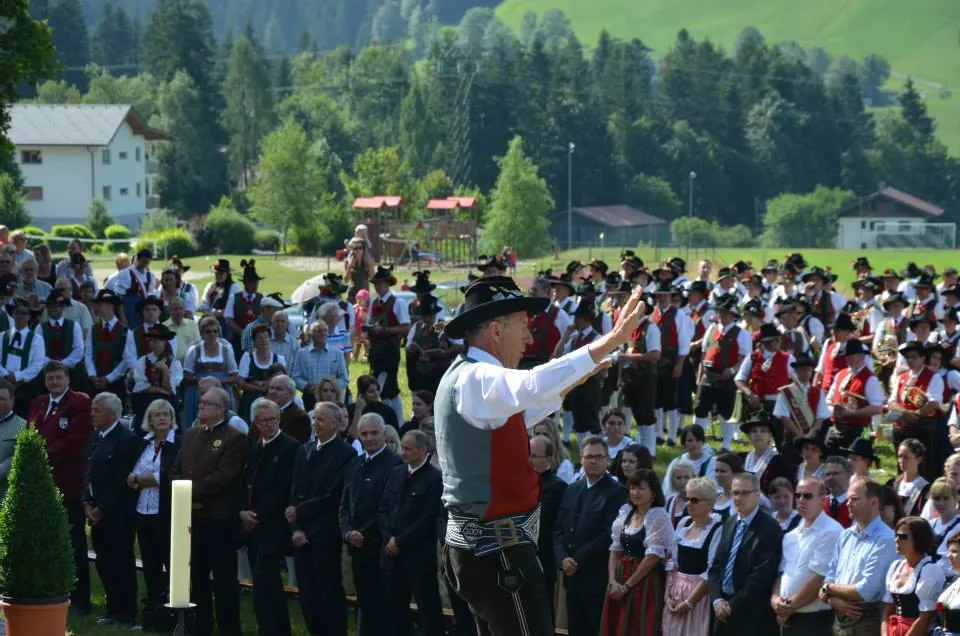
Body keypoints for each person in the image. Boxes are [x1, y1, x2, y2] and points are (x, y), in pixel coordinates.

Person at [436, 276, 644, 635]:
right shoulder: (478, 377)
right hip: (497, 552)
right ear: (496, 331)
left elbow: (525, 409)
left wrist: (574, 378)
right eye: (523, 327)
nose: (530, 339)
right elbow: (530, 387)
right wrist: (607, 343)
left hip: (484, 549)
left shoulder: (469, 377)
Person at [170, 387, 247, 636]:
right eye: (201, 402)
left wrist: (190, 494)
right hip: (192, 519)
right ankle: (201, 627)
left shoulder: (234, 437)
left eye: (207, 403)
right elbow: (175, 470)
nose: (201, 406)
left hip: (218, 519)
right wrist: (186, 498)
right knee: (197, 577)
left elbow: (225, 476)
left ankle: (229, 629)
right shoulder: (191, 434)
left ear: (221, 409)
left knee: (224, 580)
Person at [287, 402, 356, 636]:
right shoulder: (303, 450)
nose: (315, 423)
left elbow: (334, 495)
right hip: (300, 534)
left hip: (325, 533)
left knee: (328, 592)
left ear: (336, 424)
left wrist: (301, 511)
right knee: (307, 594)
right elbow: (294, 491)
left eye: (321, 419)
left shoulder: (346, 453)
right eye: (314, 419)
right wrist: (295, 528)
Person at [28, 361, 92, 613]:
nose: (54, 382)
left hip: (67, 483)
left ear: (67, 379)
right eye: (50, 378)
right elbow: (30, 434)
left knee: (74, 541)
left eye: (58, 377)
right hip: (40, 484)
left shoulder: (79, 403)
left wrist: (41, 454)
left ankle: (79, 599)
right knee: (46, 539)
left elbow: (76, 441)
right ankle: (51, 590)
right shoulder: (38, 403)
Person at [555, 436, 627, 635]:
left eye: (598, 457)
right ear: (581, 459)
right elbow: (558, 529)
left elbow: (607, 535)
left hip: (596, 577)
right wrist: (562, 559)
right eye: (588, 457)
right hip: (571, 577)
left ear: (608, 460)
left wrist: (576, 560)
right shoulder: (572, 489)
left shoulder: (616, 492)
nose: (593, 461)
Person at [240, 398, 299, 636]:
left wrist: (258, 515)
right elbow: (246, 483)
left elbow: (284, 487)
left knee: (268, 579)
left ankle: (276, 630)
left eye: (273, 419)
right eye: (263, 421)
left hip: (273, 524)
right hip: (253, 524)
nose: (269, 425)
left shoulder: (290, 446)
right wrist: (243, 512)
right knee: (260, 582)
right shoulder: (255, 447)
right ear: (256, 422)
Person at [339, 413, 401, 635]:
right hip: (357, 547)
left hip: (382, 548)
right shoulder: (355, 464)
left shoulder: (395, 464)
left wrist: (364, 533)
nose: (369, 438)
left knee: (385, 606)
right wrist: (347, 532)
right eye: (364, 434)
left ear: (383, 434)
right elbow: (344, 504)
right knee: (364, 602)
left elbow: (391, 508)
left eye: (374, 433)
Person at [84, 392, 142, 627]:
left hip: (118, 514)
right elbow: (87, 472)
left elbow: (121, 480)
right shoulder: (94, 437)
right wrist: (87, 502)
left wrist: (102, 507)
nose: (92, 414)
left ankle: (125, 612)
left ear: (111, 413)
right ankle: (112, 608)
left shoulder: (126, 439)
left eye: (97, 410)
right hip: (96, 511)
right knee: (104, 561)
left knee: (121, 562)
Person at [379, 430, 445, 636]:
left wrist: (400, 541)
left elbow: (426, 519)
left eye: (408, 449)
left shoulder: (434, 479)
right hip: (392, 555)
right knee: (395, 611)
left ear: (423, 450)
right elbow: (384, 507)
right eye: (402, 448)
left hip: (418, 558)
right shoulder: (397, 472)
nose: (403, 453)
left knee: (428, 610)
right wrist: (388, 538)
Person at [820, 478, 898, 635]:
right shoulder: (845, 536)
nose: (848, 503)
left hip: (868, 620)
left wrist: (828, 589)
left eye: (854, 499)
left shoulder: (886, 539)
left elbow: (865, 591)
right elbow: (828, 577)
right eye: (848, 499)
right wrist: (831, 600)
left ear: (874, 502)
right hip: (840, 620)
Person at [600, 468, 673, 636]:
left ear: (653, 492)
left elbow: (652, 557)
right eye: (632, 488)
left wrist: (627, 586)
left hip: (644, 581)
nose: (635, 492)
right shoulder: (626, 512)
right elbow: (615, 549)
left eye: (641, 488)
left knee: (638, 624)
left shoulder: (658, 516)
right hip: (620, 576)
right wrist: (612, 582)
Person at [708, 472, 783, 636]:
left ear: (757, 494)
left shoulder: (770, 529)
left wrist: (732, 606)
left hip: (752, 616)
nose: (738, 498)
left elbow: (762, 575)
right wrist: (717, 599)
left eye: (744, 493)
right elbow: (716, 567)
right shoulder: (730, 522)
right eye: (735, 492)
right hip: (723, 611)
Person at [128, 399, 179, 620]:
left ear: (171, 419)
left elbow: (167, 476)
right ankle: (153, 605)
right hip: (143, 509)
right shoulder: (144, 443)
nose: (161, 419)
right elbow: (133, 474)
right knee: (149, 561)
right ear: (149, 420)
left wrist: (141, 479)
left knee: (168, 559)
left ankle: (172, 607)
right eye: (156, 415)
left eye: (165, 415)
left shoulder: (178, 444)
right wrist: (136, 478)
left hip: (165, 510)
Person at [772, 476, 844, 635]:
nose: (801, 500)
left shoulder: (831, 531)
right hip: (788, 617)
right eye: (798, 495)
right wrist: (775, 599)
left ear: (822, 499)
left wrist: (787, 609)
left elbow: (818, 580)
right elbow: (782, 573)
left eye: (808, 496)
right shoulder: (791, 535)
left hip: (815, 619)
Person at [662, 476, 722, 636]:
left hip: (698, 597)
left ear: (710, 503)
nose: (689, 503)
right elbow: (672, 562)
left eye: (695, 500)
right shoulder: (684, 524)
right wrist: (667, 596)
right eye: (688, 499)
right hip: (676, 593)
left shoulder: (716, 529)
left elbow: (711, 571)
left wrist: (689, 602)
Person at [694, 295, 751, 451]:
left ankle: (726, 445)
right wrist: (699, 376)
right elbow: (704, 352)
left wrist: (732, 370)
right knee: (700, 408)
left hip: (727, 376)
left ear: (732, 315)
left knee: (726, 410)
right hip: (708, 374)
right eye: (720, 312)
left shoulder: (741, 333)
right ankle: (698, 442)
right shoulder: (711, 329)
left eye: (725, 312)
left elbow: (745, 357)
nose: (721, 315)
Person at [883, 516, 944, 636]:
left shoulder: (930, 570)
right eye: (896, 535)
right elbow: (887, 612)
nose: (896, 540)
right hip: (893, 630)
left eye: (903, 537)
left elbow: (924, 618)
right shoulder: (896, 566)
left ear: (919, 539)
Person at [364, 266, 410, 422]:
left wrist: (384, 330)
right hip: (376, 348)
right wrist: (370, 329)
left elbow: (405, 327)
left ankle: (396, 420)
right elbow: (369, 322)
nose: (377, 286)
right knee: (377, 383)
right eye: (376, 283)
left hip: (390, 348)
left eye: (380, 283)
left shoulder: (398, 302)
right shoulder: (373, 302)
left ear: (387, 284)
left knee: (389, 387)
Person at [530, 434, 567, 623]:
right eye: (528, 454)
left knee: (542, 612)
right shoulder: (520, 483)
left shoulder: (556, 486)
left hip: (543, 556)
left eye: (535, 455)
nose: (530, 459)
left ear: (549, 458)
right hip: (520, 555)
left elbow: (541, 519)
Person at [826, 339, 886, 448]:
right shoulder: (840, 374)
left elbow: (877, 408)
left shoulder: (870, 379)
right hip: (836, 428)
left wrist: (849, 413)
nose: (848, 360)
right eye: (847, 357)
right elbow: (829, 399)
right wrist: (834, 411)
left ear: (862, 356)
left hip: (857, 430)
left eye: (852, 356)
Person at [181, 316, 238, 427]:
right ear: (202, 334)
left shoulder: (226, 349)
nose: (212, 334)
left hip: (221, 389)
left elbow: (234, 375)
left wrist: (219, 381)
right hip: (198, 391)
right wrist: (200, 380)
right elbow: (186, 375)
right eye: (208, 332)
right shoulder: (194, 350)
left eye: (215, 331)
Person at [130, 324, 182, 429]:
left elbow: (169, 389)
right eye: (151, 340)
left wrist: (165, 370)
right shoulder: (143, 361)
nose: (153, 343)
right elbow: (140, 386)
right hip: (147, 401)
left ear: (165, 341)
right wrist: (159, 390)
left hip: (168, 401)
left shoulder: (174, 362)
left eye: (157, 340)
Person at [2, 297, 45, 416]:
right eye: (17, 312)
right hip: (2, 384)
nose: (20, 316)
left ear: (29, 316)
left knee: (25, 420)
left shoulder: (36, 339)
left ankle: (25, 436)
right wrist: (5, 375)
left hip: (26, 386)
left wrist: (17, 377)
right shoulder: (2, 337)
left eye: (24, 313)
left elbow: (37, 364)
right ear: (12, 314)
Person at [293, 321, 348, 415]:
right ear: (311, 334)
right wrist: (306, 386)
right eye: (318, 331)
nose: (322, 333)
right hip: (310, 398)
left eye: (324, 331)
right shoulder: (302, 353)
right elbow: (295, 377)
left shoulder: (337, 353)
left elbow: (344, 378)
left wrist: (331, 387)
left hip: (331, 398)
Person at [84, 289, 129, 399]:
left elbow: (126, 359)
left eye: (101, 304)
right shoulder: (93, 329)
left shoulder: (125, 331)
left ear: (111, 305)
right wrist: (92, 375)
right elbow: (88, 354)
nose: (97, 307)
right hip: (95, 381)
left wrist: (109, 378)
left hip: (115, 382)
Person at [237, 325, 286, 424]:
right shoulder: (247, 357)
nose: (263, 340)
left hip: (273, 399)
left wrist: (256, 382)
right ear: (254, 342)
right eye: (260, 338)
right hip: (250, 400)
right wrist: (261, 388)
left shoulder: (280, 359)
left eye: (266, 337)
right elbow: (240, 383)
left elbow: (283, 381)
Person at [888, 439, 931, 518]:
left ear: (918, 460)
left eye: (906, 457)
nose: (901, 461)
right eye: (900, 456)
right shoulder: (892, 483)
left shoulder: (925, 489)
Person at [0, 381, 22, 500]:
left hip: (6, 497)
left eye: (1, 399)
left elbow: (18, 456)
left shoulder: (23, 426)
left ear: (12, 400)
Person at [163, 296, 201, 362]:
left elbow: (197, 345)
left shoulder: (192, 324)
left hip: (189, 363)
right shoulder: (163, 327)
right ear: (169, 311)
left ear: (184, 310)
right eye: (175, 309)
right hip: (170, 364)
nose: (178, 311)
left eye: (181, 308)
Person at [823, 455, 854, 528]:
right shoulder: (820, 504)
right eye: (827, 474)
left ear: (849, 475)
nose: (831, 478)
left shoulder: (858, 504)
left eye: (835, 473)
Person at [664, 459, 694, 528]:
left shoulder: (699, 501)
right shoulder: (669, 501)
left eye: (686, 477)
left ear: (693, 477)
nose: (682, 481)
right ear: (672, 480)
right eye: (678, 478)